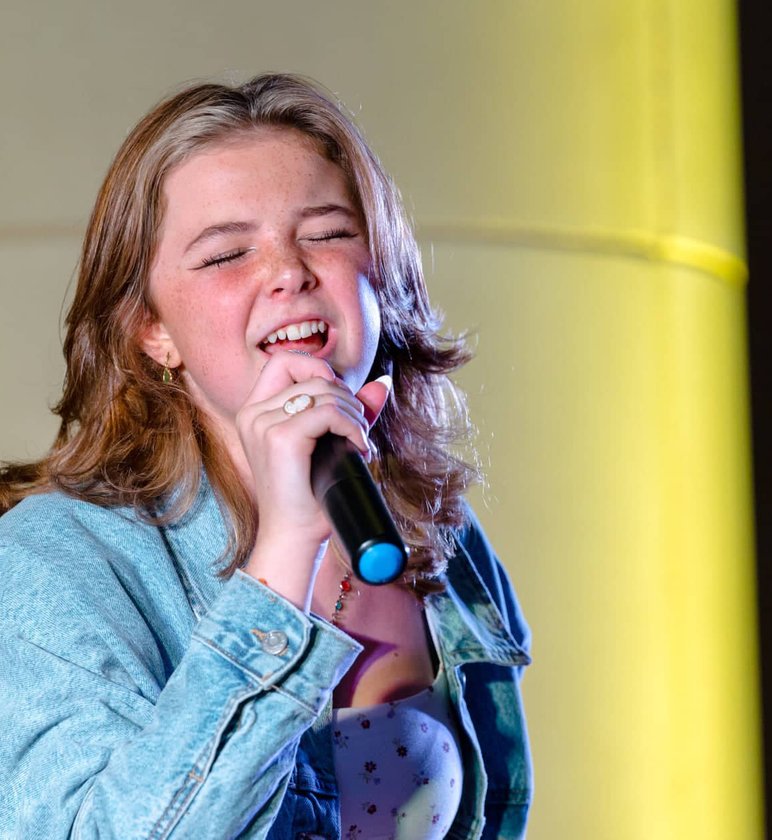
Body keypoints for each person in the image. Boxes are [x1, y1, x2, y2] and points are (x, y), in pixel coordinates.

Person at [0, 73, 531, 839]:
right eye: (225, 254)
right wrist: (283, 556)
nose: (289, 272)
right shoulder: (52, 562)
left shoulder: (439, 536)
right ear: (154, 331)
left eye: (327, 233)